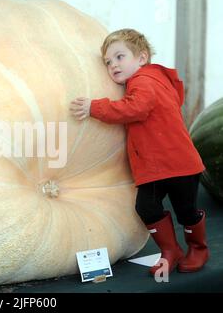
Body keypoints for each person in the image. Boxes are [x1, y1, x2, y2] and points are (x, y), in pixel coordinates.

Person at [69, 28, 209, 276]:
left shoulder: (145, 81)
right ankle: (170, 250)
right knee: (147, 207)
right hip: (155, 167)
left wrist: (95, 107)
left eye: (120, 57)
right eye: (108, 62)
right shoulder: (144, 82)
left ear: (142, 58)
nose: (113, 65)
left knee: (186, 210)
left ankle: (198, 248)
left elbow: (135, 109)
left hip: (179, 164)